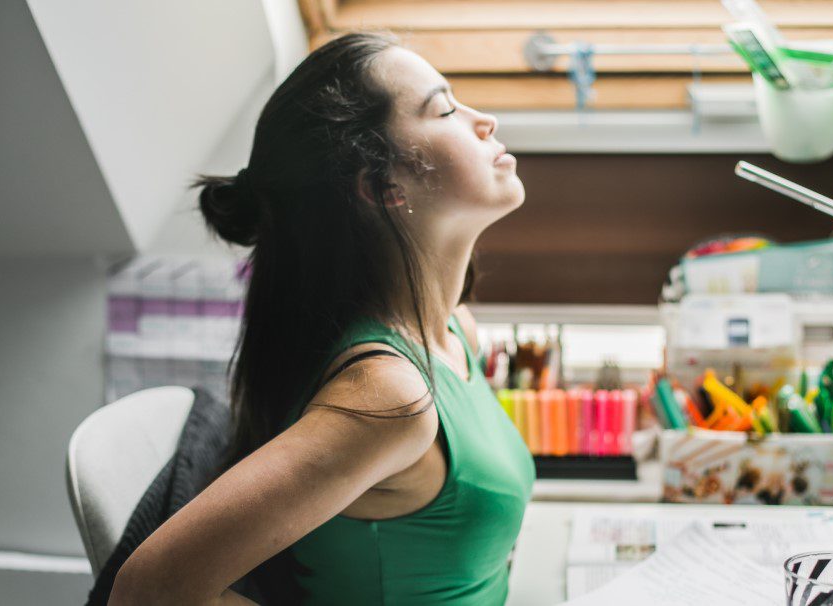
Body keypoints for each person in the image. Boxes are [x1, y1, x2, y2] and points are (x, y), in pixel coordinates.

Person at [108, 31, 533, 605]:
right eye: (446, 109)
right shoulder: (389, 398)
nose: (484, 121)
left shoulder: (455, 332)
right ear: (384, 188)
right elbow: (148, 591)